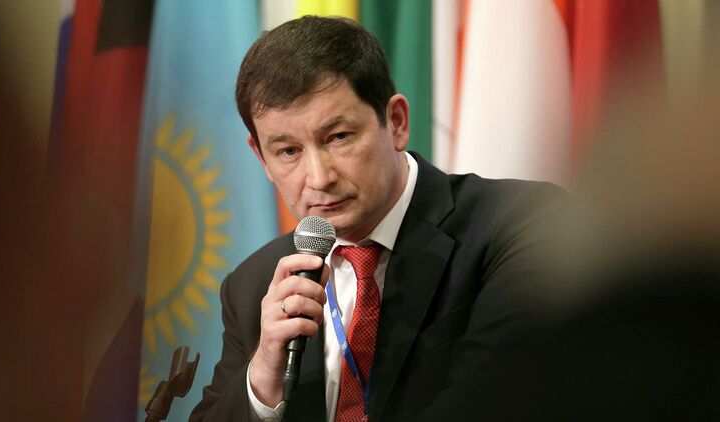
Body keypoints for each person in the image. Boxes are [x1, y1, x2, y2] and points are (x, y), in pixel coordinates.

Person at [190, 16, 565, 421]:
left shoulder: (516, 224)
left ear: (397, 122)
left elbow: (498, 399)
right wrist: (263, 378)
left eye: (339, 137)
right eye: (288, 152)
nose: (319, 178)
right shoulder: (253, 285)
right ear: (261, 157)